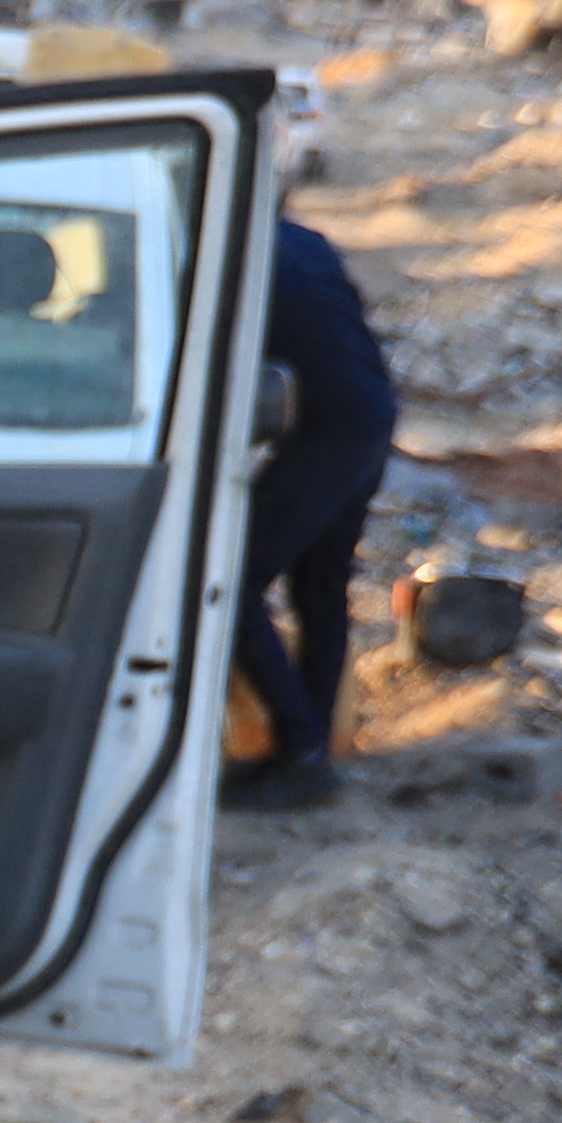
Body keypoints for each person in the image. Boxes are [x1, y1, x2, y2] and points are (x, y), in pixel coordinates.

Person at [221, 136, 393, 805]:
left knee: (230, 585)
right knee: (320, 590)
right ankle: (315, 749)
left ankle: (299, 748)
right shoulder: (305, 240)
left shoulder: (226, 254)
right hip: (371, 416)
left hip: (324, 430)